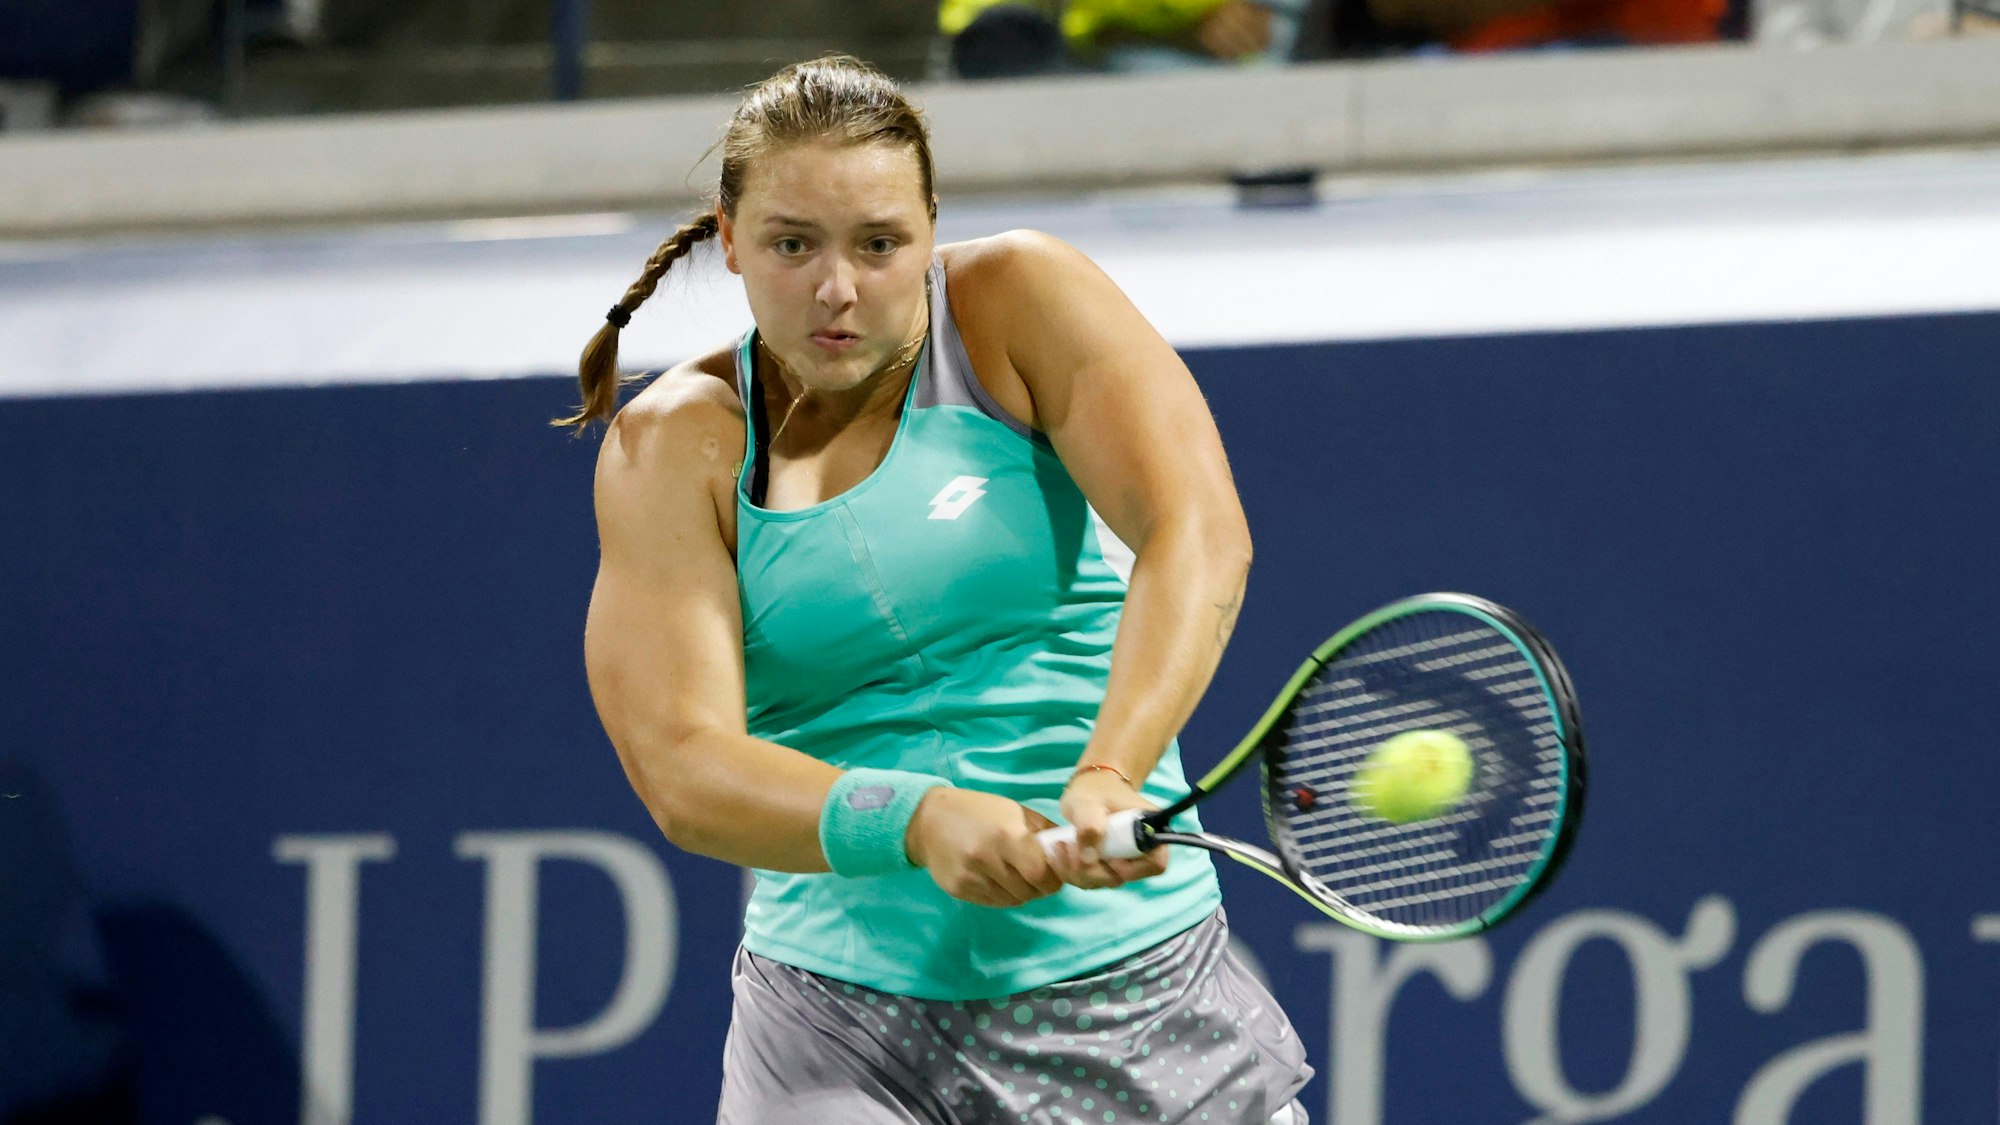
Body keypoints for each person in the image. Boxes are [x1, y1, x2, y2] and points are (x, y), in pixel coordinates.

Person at [564, 54, 1313, 1124]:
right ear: (726, 241)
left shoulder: (1016, 300)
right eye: (791, 245)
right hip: (842, 1028)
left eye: (879, 245)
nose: (837, 288)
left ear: (929, 229)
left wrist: (1110, 769)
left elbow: (1194, 532)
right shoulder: (670, 446)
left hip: (1138, 997)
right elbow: (680, 769)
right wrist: (912, 820)